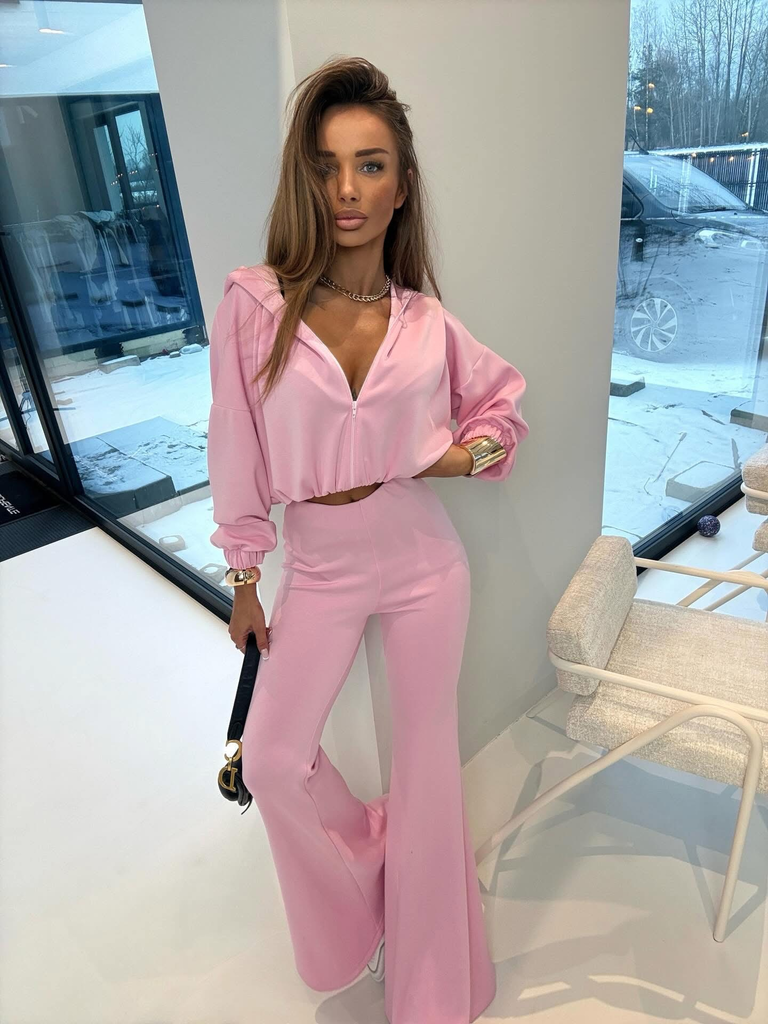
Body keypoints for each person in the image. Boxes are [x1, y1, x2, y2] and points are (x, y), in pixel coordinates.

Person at [206, 55, 529, 1024]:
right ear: (305, 181)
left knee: (430, 767)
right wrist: (244, 575)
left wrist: (460, 458)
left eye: (370, 165)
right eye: (326, 165)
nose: (346, 189)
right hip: (321, 562)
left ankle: (438, 989)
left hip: (424, 559)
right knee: (273, 758)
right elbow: (235, 443)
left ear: (401, 185)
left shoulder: (426, 323)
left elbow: (504, 409)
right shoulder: (255, 304)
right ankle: (371, 868)